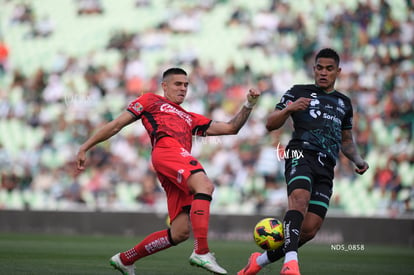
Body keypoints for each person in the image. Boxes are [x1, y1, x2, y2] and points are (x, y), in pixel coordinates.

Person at [76, 67, 261, 275]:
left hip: (174, 161)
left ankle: (125, 259)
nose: (183, 89)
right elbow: (117, 124)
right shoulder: (150, 100)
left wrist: (249, 104)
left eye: (186, 85)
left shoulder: (190, 117)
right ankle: (202, 252)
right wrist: (85, 147)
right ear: (164, 86)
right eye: (178, 84)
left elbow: (230, 128)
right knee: (205, 185)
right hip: (166, 150)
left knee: (180, 232)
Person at [238, 48, 369, 275]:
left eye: (329, 69)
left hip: (327, 164)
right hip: (300, 153)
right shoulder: (298, 91)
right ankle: (290, 265)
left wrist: (358, 160)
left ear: (338, 71)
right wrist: (290, 108)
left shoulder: (344, 103)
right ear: (314, 69)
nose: (323, 73)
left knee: (308, 230)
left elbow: (346, 140)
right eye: (319, 68)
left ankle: (258, 262)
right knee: (299, 200)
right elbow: (270, 124)